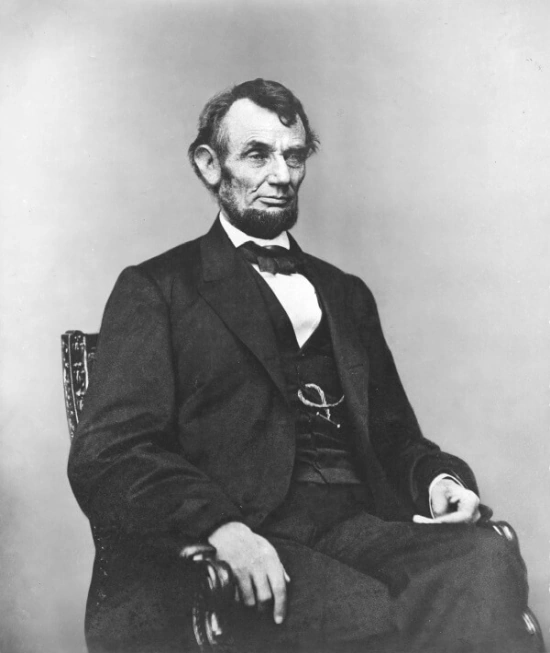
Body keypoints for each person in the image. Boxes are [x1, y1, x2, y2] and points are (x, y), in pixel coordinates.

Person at [68, 78, 541, 653]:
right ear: (209, 165)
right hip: (248, 527)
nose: (282, 175)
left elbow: (396, 437)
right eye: (257, 155)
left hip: (356, 520)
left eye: (294, 156)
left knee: (482, 559)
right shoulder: (158, 289)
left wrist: (440, 481)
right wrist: (221, 528)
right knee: (360, 612)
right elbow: (111, 451)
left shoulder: (346, 294)